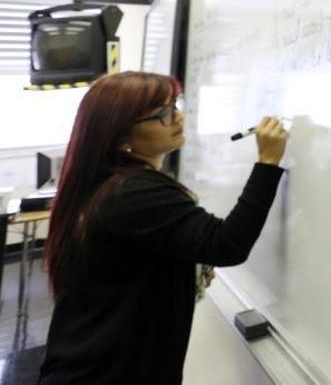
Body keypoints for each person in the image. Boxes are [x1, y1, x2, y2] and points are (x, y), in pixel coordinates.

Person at [37, 71, 289, 384]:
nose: (179, 117)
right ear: (121, 136)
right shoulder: (133, 191)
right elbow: (227, 244)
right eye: (164, 113)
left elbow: (130, 264)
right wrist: (267, 163)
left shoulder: (111, 184)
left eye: (176, 106)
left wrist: (181, 271)